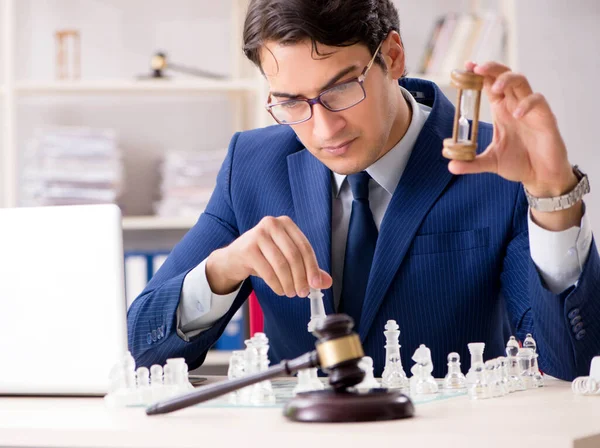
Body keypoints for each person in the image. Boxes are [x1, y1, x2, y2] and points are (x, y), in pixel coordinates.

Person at [127, 0, 599, 379]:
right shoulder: (251, 166)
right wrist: (223, 268)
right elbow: (144, 348)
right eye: (292, 102)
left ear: (393, 56)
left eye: (340, 89)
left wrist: (554, 200)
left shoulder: (498, 163)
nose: (324, 128)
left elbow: (573, 368)